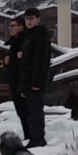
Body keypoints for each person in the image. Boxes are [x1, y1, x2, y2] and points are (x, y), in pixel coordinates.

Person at [17, 9, 52, 147]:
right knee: (31, 111)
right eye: (27, 19)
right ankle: (34, 137)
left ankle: (38, 138)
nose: (29, 21)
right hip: (27, 79)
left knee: (36, 111)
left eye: (31, 18)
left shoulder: (40, 36)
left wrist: (36, 82)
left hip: (35, 81)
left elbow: (40, 61)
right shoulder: (29, 36)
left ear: (38, 19)